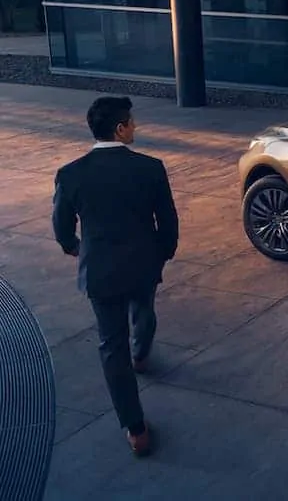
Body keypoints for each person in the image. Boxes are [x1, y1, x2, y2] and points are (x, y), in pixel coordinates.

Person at [52, 96, 179, 457]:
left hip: (100, 272)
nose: (135, 127)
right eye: (132, 122)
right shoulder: (151, 168)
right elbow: (167, 222)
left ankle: (135, 429)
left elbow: (62, 227)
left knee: (111, 347)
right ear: (120, 128)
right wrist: (162, 254)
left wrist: (78, 249)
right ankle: (142, 354)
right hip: (143, 265)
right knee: (144, 312)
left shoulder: (71, 173)